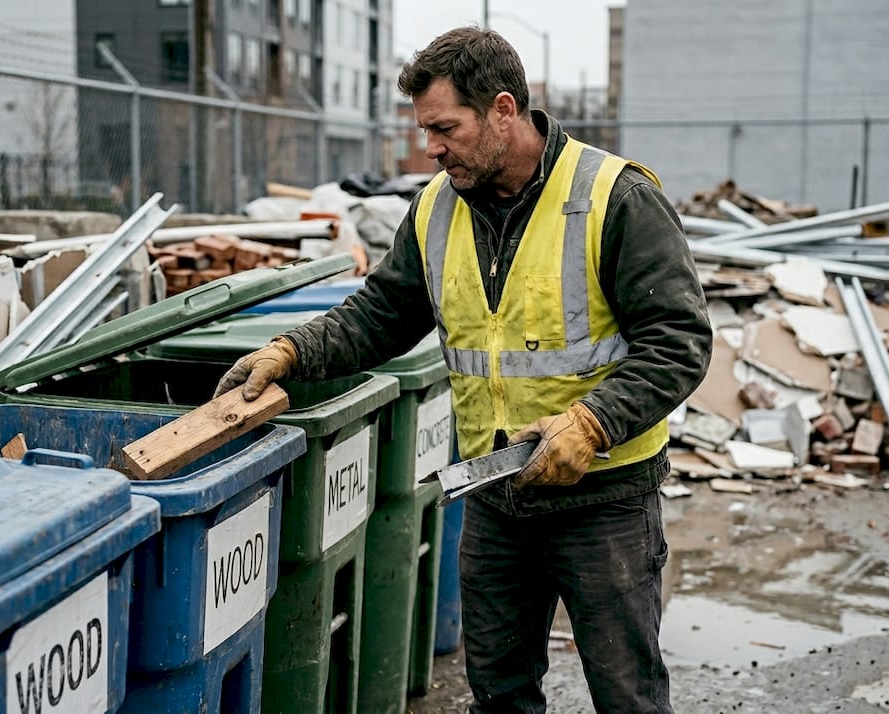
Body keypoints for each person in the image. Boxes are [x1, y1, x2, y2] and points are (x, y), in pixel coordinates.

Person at [215, 26, 711, 714]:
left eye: (445, 127)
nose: (431, 147)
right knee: (499, 696)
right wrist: (290, 353)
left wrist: (592, 423)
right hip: (497, 496)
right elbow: (378, 316)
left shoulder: (613, 198)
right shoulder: (436, 208)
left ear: (503, 111)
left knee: (627, 695)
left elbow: (679, 342)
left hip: (605, 501)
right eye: (425, 130)